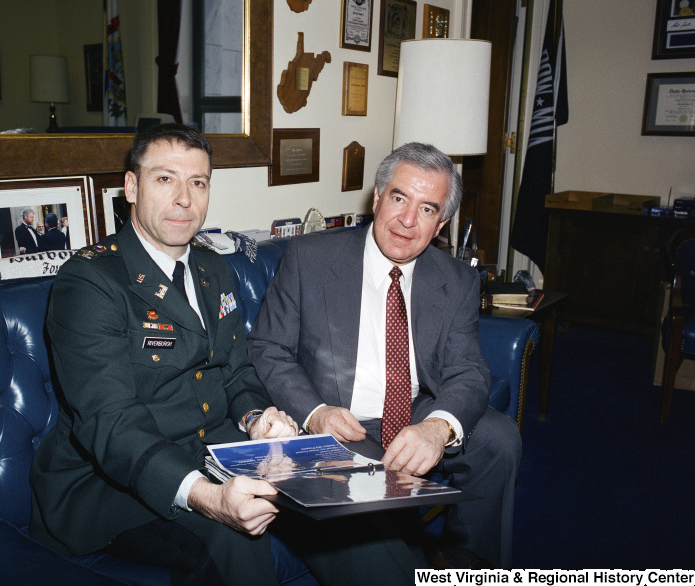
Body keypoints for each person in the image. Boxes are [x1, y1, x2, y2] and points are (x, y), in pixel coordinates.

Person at [29, 124, 419, 585]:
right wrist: (208, 497)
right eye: (164, 179)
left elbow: (236, 373)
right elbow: (110, 425)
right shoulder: (92, 282)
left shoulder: (213, 267)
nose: (184, 199)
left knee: (340, 496)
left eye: (198, 182)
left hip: (217, 453)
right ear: (131, 187)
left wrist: (257, 418)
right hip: (108, 487)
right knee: (236, 535)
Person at [247, 142, 522, 569]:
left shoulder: (458, 280)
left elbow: (467, 370)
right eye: (399, 198)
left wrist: (436, 428)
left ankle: (468, 565)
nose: (408, 221)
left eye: (427, 209)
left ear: (441, 223)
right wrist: (315, 412)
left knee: (499, 438)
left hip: (415, 410)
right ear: (377, 198)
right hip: (341, 421)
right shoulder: (310, 259)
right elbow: (268, 348)